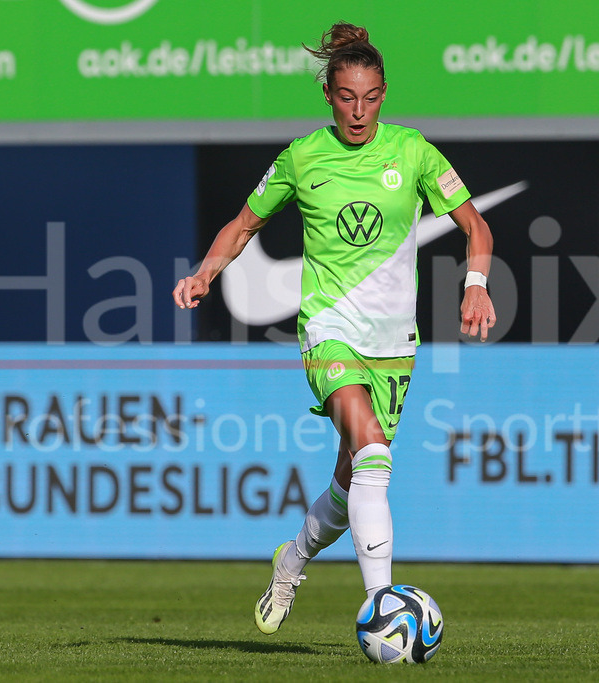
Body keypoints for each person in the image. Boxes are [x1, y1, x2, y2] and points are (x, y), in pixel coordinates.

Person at [172, 22, 496, 635]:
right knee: (373, 451)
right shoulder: (302, 156)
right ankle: (385, 611)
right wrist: (205, 274)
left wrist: (475, 285)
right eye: (347, 96)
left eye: (371, 96)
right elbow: (243, 225)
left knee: (352, 489)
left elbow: (476, 227)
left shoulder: (414, 151)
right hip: (330, 330)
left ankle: (291, 560)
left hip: (395, 345)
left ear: (384, 92)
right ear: (328, 93)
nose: (359, 110)